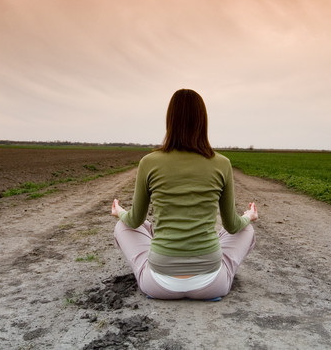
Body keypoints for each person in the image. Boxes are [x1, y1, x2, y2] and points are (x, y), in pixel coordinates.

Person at [110, 89, 258, 300]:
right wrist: (248, 217)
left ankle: (154, 266)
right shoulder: (222, 164)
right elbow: (232, 226)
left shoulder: (149, 162)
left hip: (159, 284)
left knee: (122, 226)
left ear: (170, 120)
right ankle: (217, 271)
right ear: (202, 121)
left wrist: (120, 212)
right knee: (246, 230)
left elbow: (134, 221)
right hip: (212, 284)